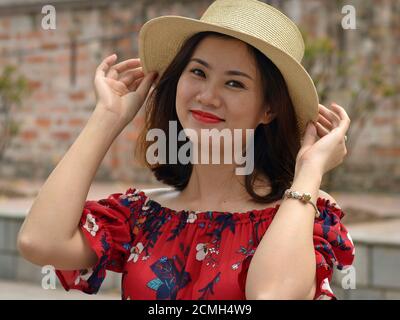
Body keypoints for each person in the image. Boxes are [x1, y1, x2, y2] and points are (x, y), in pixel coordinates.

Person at [17, 0, 355, 300]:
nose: (207, 95)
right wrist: (107, 118)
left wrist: (310, 170)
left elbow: (270, 294)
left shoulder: (303, 212)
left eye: (234, 82)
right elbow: (39, 242)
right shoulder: (141, 215)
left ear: (269, 109)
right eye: (198, 72)